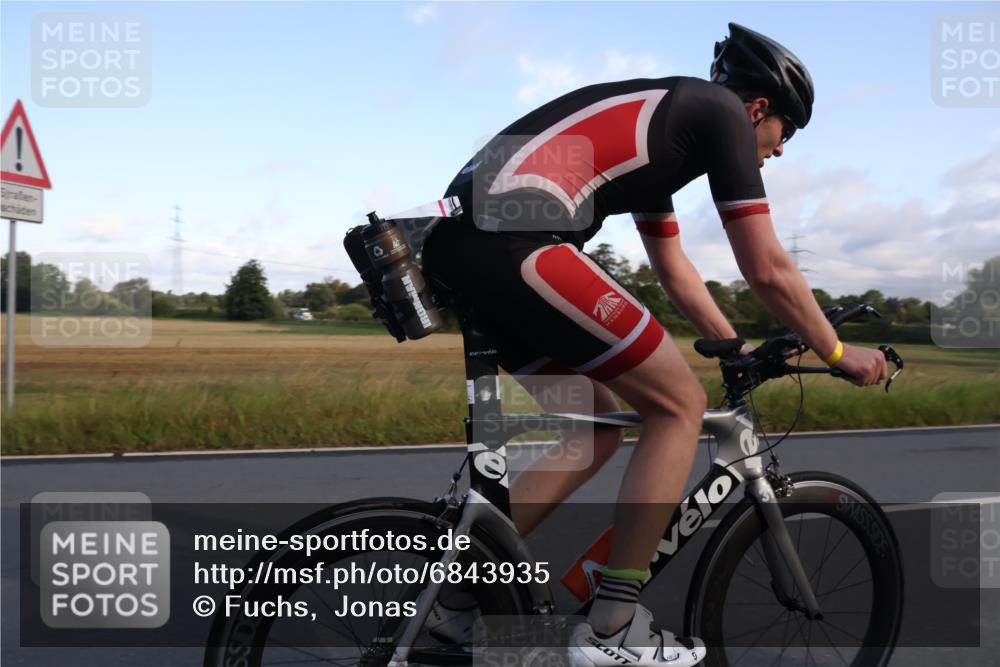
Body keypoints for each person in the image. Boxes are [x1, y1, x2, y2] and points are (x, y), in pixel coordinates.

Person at [421, 22, 888, 667]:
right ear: (758, 109)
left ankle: (454, 606)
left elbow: (673, 267)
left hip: (464, 251)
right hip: (515, 243)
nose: (780, 151)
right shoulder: (719, 113)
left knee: (594, 428)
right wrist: (836, 352)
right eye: (787, 132)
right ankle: (613, 626)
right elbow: (766, 267)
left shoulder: (671, 129)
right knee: (678, 406)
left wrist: (733, 346)